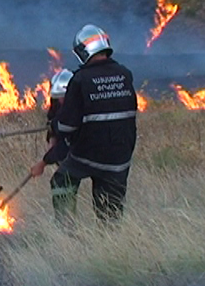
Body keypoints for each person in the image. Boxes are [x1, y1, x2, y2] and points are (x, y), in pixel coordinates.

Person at [50, 24, 137, 227]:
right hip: (120, 156)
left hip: (89, 154)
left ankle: (66, 231)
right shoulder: (125, 74)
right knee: (110, 210)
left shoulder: (80, 79)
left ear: (83, 51)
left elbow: (67, 125)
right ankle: (110, 244)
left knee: (62, 181)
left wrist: (54, 126)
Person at [30, 68, 73, 178]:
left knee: (61, 181)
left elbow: (65, 146)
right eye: (57, 97)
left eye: (62, 97)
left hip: (87, 154)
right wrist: (52, 137)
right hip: (65, 151)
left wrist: (42, 163)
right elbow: (52, 119)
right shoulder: (57, 101)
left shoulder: (76, 112)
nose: (60, 100)